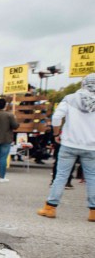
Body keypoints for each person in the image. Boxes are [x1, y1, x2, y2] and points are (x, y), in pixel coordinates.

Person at [37, 73, 95, 222]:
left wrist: (57, 134)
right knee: (92, 178)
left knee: (61, 176)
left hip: (69, 143)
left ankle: (50, 207)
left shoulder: (70, 98)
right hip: (91, 146)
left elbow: (56, 117)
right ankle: (93, 212)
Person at [0, 98, 18, 182]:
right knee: (3, 158)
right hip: (6, 139)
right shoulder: (9, 115)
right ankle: (2, 177)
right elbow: (15, 126)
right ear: (5, 105)